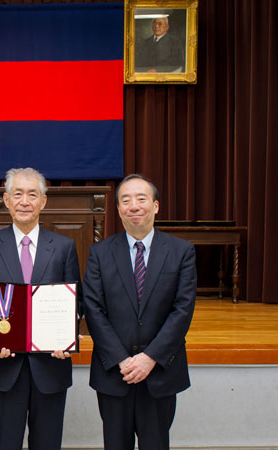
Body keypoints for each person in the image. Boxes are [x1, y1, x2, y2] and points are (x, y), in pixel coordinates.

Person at [83, 174, 196, 450]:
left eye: (141, 198)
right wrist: (122, 359)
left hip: (160, 372)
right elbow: (93, 310)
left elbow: (182, 311)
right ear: (118, 209)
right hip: (114, 373)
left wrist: (149, 358)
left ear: (156, 206)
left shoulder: (181, 252)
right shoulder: (99, 253)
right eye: (126, 200)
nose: (134, 205)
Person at [0, 168, 82, 450]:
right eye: (17, 194)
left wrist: (66, 337)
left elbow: (75, 300)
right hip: (3, 365)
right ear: (6, 200)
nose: (24, 201)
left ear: (43, 202)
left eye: (32, 194)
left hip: (50, 365)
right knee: (4, 444)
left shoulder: (64, 247)